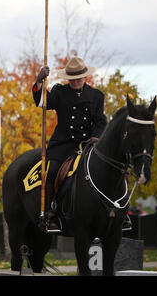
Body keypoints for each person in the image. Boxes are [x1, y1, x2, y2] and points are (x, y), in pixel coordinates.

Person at [33, 57, 107, 233]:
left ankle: (117, 210)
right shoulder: (60, 92)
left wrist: (96, 137)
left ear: (85, 77)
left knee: (110, 168)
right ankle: (50, 213)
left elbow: (100, 121)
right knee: (51, 171)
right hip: (64, 144)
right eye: (71, 78)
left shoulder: (96, 96)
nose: (74, 81)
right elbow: (43, 103)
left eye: (78, 78)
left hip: (89, 144)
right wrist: (39, 82)